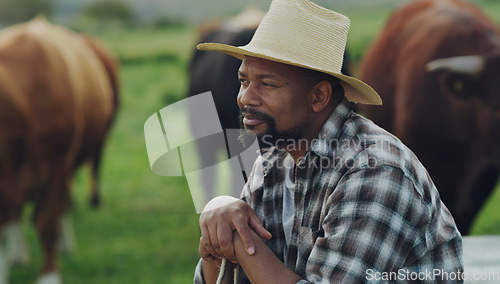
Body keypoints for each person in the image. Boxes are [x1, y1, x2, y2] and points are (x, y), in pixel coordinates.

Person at [193, 0, 463, 282]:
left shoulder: (376, 171)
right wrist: (218, 235)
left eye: (268, 84)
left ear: (319, 97)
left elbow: (249, 256)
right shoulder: (274, 159)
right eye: (243, 81)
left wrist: (239, 239)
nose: (245, 98)